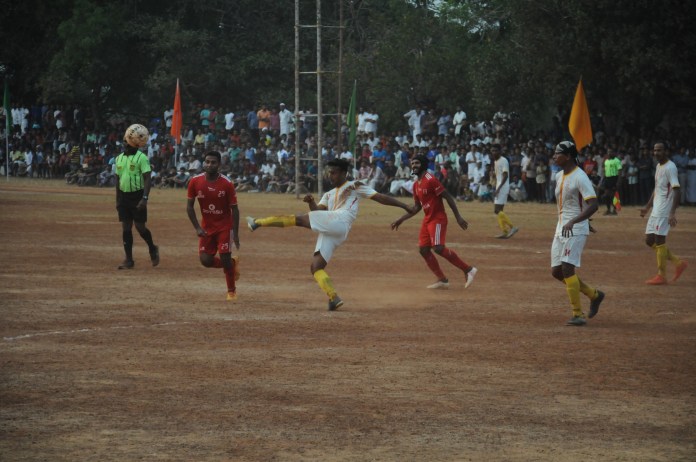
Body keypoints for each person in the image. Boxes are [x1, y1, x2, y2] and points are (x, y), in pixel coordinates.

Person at [245, 158, 413, 311]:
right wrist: (311, 202)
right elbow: (318, 212)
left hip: (340, 220)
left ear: (343, 173)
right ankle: (334, 298)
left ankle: (258, 222)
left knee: (297, 219)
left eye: (334, 172)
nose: (330, 175)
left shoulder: (355, 185)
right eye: (329, 172)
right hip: (335, 229)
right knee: (316, 267)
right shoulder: (328, 194)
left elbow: (380, 197)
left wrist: (404, 206)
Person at [391, 155, 477, 289]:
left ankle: (468, 269)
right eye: (412, 163)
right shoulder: (415, 185)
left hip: (438, 219)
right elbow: (416, 207)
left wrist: (458, 217)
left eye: (417, 163)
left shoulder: (431, 180)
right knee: (424, 250)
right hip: (427, 220)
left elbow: (448, 197)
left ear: (424, 164)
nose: (414, 165)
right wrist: (401, 219)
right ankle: (442, 280)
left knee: (438, 248)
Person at [550, 141, 604, 326]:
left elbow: (594, 204)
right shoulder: (558, 176)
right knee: (557, 272)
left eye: (558, 153)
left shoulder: (580, 177)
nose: (554, 156)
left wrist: (577, 221)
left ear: (569, 156)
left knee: (567, 268)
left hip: (575, 228)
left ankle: (577, 314)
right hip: (561, 227)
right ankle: (594, 294)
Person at [187, 151, 241, 301]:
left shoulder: (227, 184)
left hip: (225, 226)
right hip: (206, 228)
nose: (209, 165)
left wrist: (235, 234)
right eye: (207, 162)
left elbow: (235, 209)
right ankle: (232, 263)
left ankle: (231, 291)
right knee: (205, 261)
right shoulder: (195, 181)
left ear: (219, 165)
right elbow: (189, 207)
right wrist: (197, 227)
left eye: (213, 162)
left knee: (224, 257)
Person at [640, 141, 688, 285]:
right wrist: (647, 207)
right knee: (649, 240)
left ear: (666, 151)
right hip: (656, 209)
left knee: (660, 241)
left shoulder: (670, 167)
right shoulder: (658, 166)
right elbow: (657, 188)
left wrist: (672, 212)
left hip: (664, 209)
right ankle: (678, 263)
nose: (656, 153)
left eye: (659, 150)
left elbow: (677, 189)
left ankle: (661, 275)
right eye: (655, 150)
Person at [114, 128, 159, 270]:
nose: (125, 144)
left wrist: (144, 198)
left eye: (127, 142)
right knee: (126, 227)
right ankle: (129, 259)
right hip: (123, 196)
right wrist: (117, 200)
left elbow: (147, 178)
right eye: (125, 141)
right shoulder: (119, 158)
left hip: (138, 196)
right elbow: (117, 179)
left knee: (140, 227)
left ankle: (152, 248)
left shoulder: (142, 158)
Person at [491, 143, 519, 239]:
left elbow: (505, 175)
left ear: (500, 151)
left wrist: (498, 188)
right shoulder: (496, 161)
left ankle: (512, 227)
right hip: (500, 186)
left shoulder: (504, 161)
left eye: (495, 150)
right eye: (492, 150)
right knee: (499, 210)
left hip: (502, 187)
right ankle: (505, 231)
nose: (493, 152)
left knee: (497, 210)